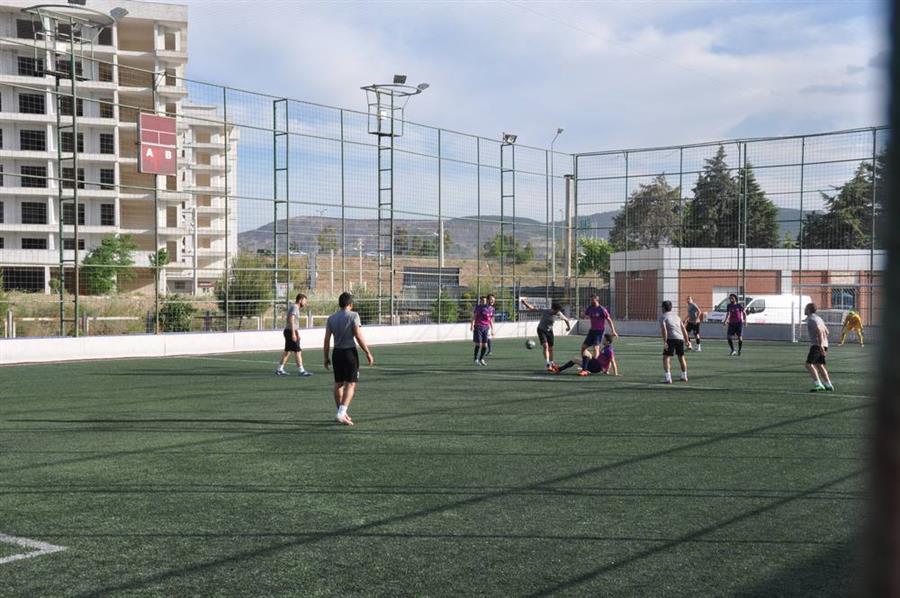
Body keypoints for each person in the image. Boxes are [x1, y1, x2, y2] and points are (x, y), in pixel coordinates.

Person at [323, 292, 374, 425]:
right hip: (349, 353)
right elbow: (357, 335)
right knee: (350, 384)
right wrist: (367, 352)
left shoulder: (331, 318)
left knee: (338, 384)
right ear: (350, 305)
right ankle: (341, 413)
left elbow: (327, 339)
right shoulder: (353, 315)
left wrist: (325, 357)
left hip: (337, 354)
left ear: (339, 304)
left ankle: (342, 412)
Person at [521, 299, 573, 371]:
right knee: (545, 346)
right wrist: (525, 303)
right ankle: (548, 364)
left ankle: (552, 363)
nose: (558, 312)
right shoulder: (546, 311)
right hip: (541, 330)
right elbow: (532, 308)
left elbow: (566, 320)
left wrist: (568, 327)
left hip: (549, 331)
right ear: (553, 309)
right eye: (557, 310)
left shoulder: (558, 313)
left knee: (551, 349)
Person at [276, 293, 313, 377]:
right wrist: (293, 333)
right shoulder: (294, 308)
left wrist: (297, 333)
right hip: (289, 332)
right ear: (300, 300)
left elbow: (294, 323)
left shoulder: (295, 308)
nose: (305, 303)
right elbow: (291, 320)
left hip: (289, 331)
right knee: (298, 351)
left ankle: (279, 369)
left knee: (287, 352)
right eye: (304, 301)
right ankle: (301, 371)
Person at [804, 302, 834, 392]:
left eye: (805, 308)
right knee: (819, 365)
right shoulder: (819, 318)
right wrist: (823, 344)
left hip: (817, 345)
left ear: (809, 310)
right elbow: (827, 332)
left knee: (808, 364)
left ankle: (818, 384)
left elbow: (820, 331)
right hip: (824, 344)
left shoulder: (812, 319)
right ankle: (828, 384)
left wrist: (820, 345)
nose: (804, 310)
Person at [660, 300, 691, 384]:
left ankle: (668, 378)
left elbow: (664, 330)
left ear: (663, 308)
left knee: (666, 357)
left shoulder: (663, 317)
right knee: (681, 357)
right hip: (680, 338)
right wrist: (687, 340)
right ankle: (684, 376)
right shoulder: (677, 317)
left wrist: (665, 341)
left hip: (670, 339)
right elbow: (683, 329)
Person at [470, 295, 495, 366]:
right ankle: (475, 359)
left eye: (494, 300)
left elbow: (490, 320)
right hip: (478, 327)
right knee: (479, 344)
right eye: (491, 299)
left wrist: (492, 329)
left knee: (485, 346)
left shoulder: (492, 309)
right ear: (487, 300)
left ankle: (481, 359)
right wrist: (472, 325)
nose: (493, 301)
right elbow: (474, 317)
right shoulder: (480, 307)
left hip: (486, 328)